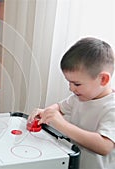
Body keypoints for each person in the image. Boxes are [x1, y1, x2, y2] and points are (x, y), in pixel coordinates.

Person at [28, 37, 115, 169]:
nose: (71, 88)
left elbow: (105, 146)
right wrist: (46, 112)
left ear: (103, 79)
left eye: (77, 84)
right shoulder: (79, 97)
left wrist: (62, 124)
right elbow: (59, 107)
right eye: (69, 82)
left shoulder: (111, 107)